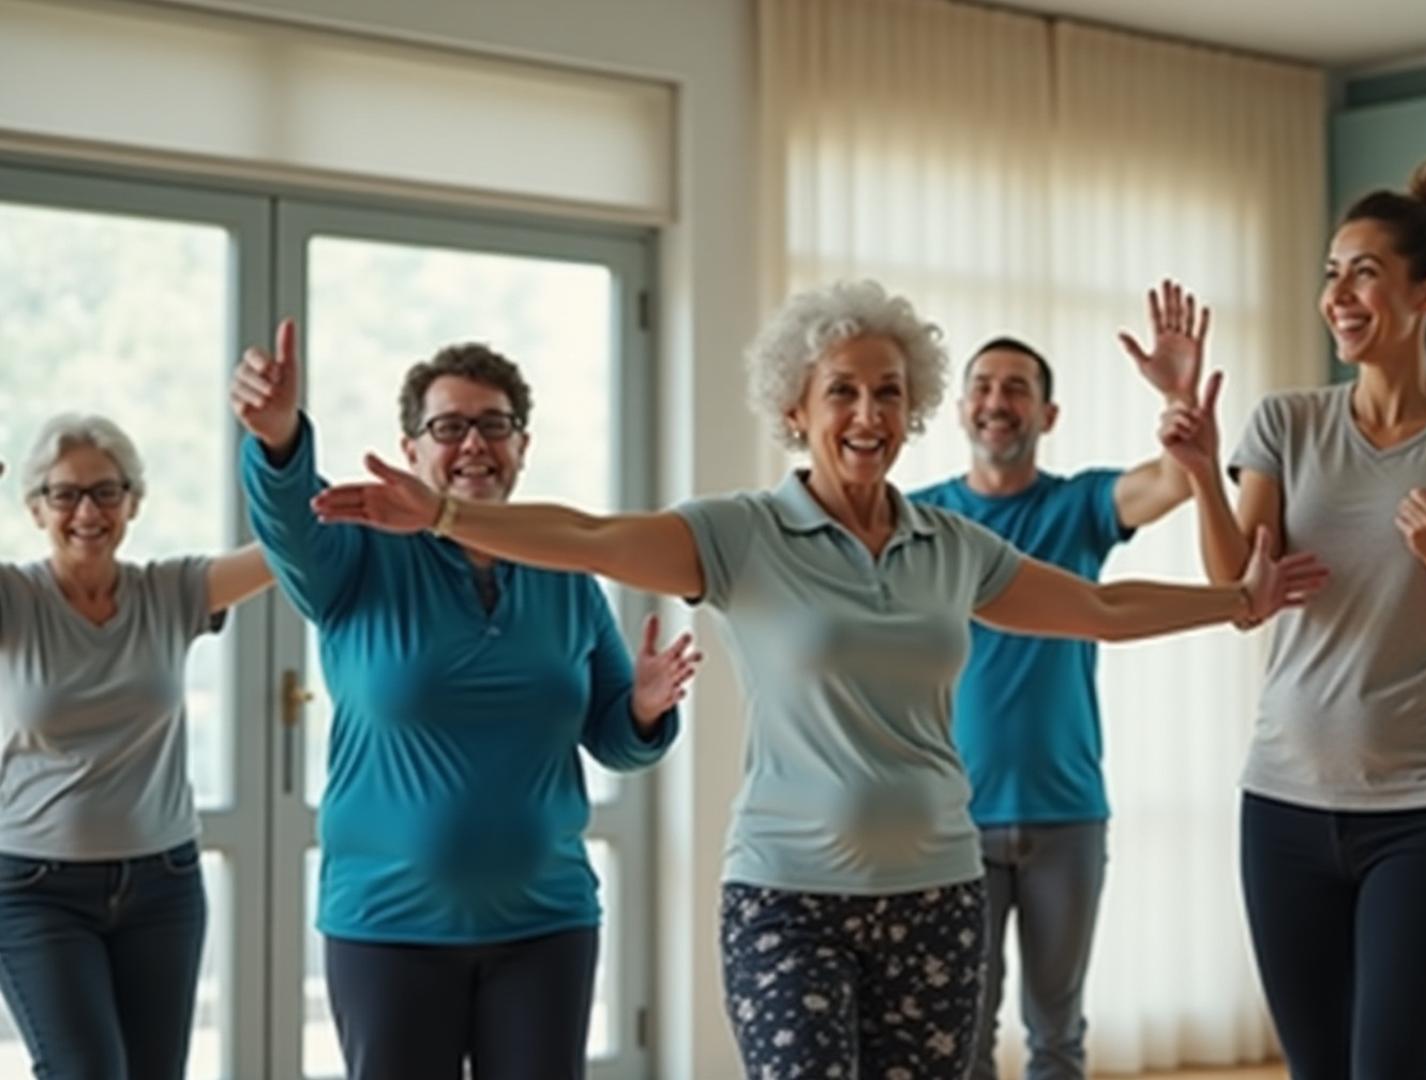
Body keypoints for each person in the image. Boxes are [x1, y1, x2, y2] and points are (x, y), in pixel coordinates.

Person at [304, 279, 1330, 1080]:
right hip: (786, 899)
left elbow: (1100, 611)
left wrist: (1238, 603)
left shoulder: (950, 544)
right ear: (796, 407)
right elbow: (584, 536)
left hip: (935, 892)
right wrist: (444, 516)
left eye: (889, 391)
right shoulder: (740, 536)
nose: (868, 411)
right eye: (841, 389)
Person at [1160, 162, 1426, 1080]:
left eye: (1365, 271)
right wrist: (1202, 470)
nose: (1339, 294)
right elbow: (1240, 595)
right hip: (1284, 805)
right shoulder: (1287, 423)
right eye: (1332, 272)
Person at [229, 322, 692, 1080]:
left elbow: (614, 739)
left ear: (522, 446)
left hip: (547, 923)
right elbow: (287, 520)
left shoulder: (564, 568)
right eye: (449, 427)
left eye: (494, 425)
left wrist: (643, 706)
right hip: (389, 927)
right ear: (411, 450)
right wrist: (280, 439)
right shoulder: (357, 557)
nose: (474, 443)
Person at [910, 280, 1205, 1080]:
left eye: (1017, 389)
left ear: (1048, 416)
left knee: (1057, 1036)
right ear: (961, 408)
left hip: (1067, 818)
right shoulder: (920, 519)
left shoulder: (1078, 507)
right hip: (952, 821)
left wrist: (1180, 404)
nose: (996, 401)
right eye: (982, 387)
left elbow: (1172, 483)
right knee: (961, 1038)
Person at [0, 415, 274, 1080]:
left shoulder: (169, 591)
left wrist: (297, 469)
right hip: (37, 890)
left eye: (106, 492)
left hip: (164, 886)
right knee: (86, 1071)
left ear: (133, 503)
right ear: (37, 508)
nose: (87, 511)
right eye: (64, 494)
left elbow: (283, 553)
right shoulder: (14, 598)